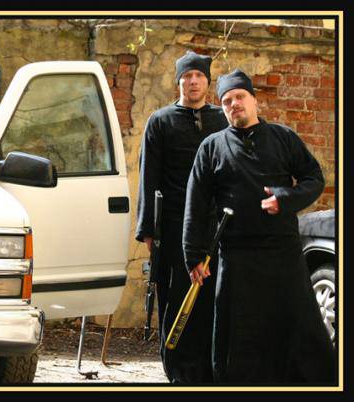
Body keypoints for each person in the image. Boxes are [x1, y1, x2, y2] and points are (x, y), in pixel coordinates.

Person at [183, 69, 336, 384]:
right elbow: (195, 204)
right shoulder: (211, 147)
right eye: (227, 101)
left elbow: (314, 179)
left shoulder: (283, 137)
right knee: (238, 338)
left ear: (254, 100)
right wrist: (193, 254)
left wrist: (286, 198)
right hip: (236, 258)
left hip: (283, 255)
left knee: (298, 330)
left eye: (240, 97)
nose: (234, 104)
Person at [135, 50, 228, 383]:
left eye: (199, 76)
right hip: (173, 225)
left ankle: (208, 368)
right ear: (178, 82)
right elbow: (148, 176)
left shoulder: (222, 120)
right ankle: (178, 369)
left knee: (211, 297)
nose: (193, 81)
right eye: (187, 76)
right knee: (175, 296)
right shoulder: (160, 121)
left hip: (214, 225)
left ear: (207, 82)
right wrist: (148, 229)